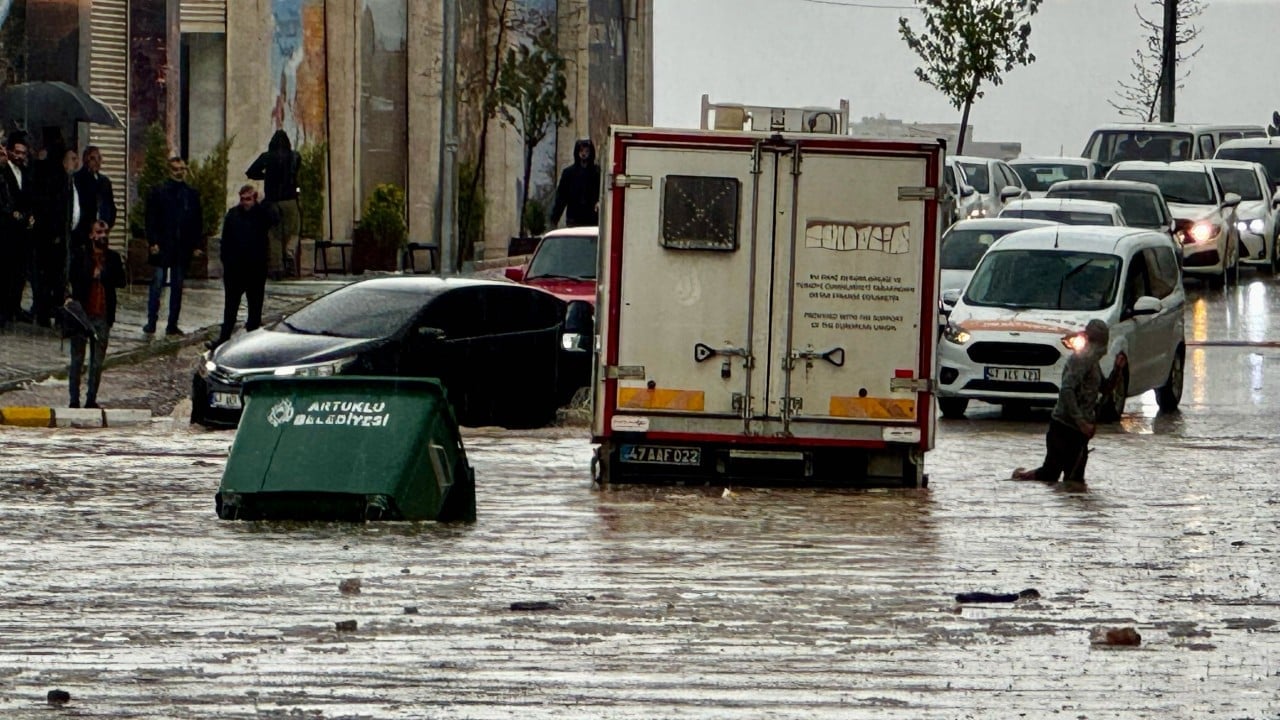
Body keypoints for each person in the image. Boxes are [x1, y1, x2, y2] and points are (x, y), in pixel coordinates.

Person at [1012, 319, 1120, 484]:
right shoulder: (1080, 360)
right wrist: (1081, 422)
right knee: (1054, 475)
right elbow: (1067, 391)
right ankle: (1021, 477)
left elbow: (1104, 389)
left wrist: (1118, 370)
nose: (1103, 350)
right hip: (1063, 427)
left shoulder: (1093, 363)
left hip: (1079, 433)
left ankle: (1026, 478)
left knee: (1073, 479)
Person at [66, 220, 125, 408]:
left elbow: (121, 281)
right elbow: (72, 279)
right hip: (82, 316)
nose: (103, 236)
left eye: (106, 232)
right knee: (77, 360)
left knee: (97, 362)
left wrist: (104, 274)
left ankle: (91, 399)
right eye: (99, 232)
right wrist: (91, 274)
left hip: (103, 315)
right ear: (91, 235)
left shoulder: (113, 258)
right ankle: (74, 400)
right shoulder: (81, 256)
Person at [143, 156, 203, 336]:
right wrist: (152, 241)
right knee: (157, 284)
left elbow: (197, 222)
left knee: (177, 286)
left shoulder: (191, 194)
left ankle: (172, 324)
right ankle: (151, 321)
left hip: (181, 246)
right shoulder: (158, 192)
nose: (179, 172)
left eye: (182, 169)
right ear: (169, 171)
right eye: (176, 169)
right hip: (162, 244)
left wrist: (196, 244)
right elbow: (150, 219)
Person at [214, 185, 276, 347]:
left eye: (248, 199)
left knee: (255, 309)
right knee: (230, 308)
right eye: (242, 199)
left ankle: (252, 343)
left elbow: (274, 219)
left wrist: (265, 202)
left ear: (254, 199)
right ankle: (223, 339)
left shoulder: (261, 215)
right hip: (235, 269)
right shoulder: (233, 215)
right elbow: (225, 240)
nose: (245, 203)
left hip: (255, 269)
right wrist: (226, 262)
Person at [30, 146, 83, 329]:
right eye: (72, 158)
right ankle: (45, 313)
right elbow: (52, 211)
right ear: (63, 161)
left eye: (77, 159)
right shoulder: (57, 181)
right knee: (51, 278)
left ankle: (60, 314)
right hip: (55, 239)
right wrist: (56, 234)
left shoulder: (72, 181)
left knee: (63, 278)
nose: (76, 162)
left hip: (69, 238)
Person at [245, 130, 300, 279]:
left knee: (274, 235)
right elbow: (297, 173)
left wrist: (266, 176)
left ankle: (277, 268)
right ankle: (289, 254)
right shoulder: (295, 156)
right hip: (290, 200)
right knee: (293, 231)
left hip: (273, 201)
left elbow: (250, 172)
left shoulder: (267, 157)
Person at [1, 132, 34, 326]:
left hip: (23, 231)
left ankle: (15, 306)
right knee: (6, 271)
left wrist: (30, 215)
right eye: (17, 152)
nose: (20, 156)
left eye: (23, 153)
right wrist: (13, 213)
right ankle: (4, 309)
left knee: (20, 271)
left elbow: (29, 198)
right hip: (7, 230)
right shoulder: (4, 172)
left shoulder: (26, 173)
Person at [549, 138, 600, 228]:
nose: (583, 153)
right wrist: (554, 220)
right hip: (574, 219)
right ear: (577, 152)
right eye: (581, 150)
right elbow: (561, 198)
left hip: (592, 219)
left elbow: (603, 195)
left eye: (587, 151)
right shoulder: (569, 173)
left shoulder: (597, 173)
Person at [75, 145, 118, 232]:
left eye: (99, 158)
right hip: (83, 231)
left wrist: (108, 223)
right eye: (93, 158)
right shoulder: (77, 179)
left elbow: (111, 205)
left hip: (102, 230)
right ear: (85, 160)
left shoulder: (104, 181)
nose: (97, 162)